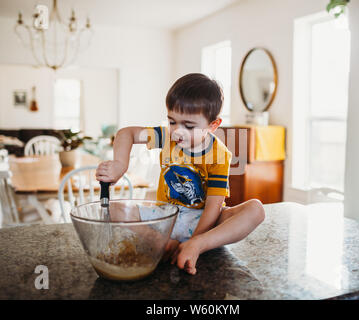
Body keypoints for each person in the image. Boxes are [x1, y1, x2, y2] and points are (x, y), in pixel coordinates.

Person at [96, 73, 265, 275]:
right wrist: (119, 164)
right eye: (172, 121)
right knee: (114, 209)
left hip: (203, 220)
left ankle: (197, 245)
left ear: (213, 125)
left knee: (256, 210)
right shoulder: (166, 137)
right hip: (166, 217)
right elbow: (127, 133)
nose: (177, 131)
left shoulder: (219, 155)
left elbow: (213, 206)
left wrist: (195, 241)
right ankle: (165, 243)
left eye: (189, 126)